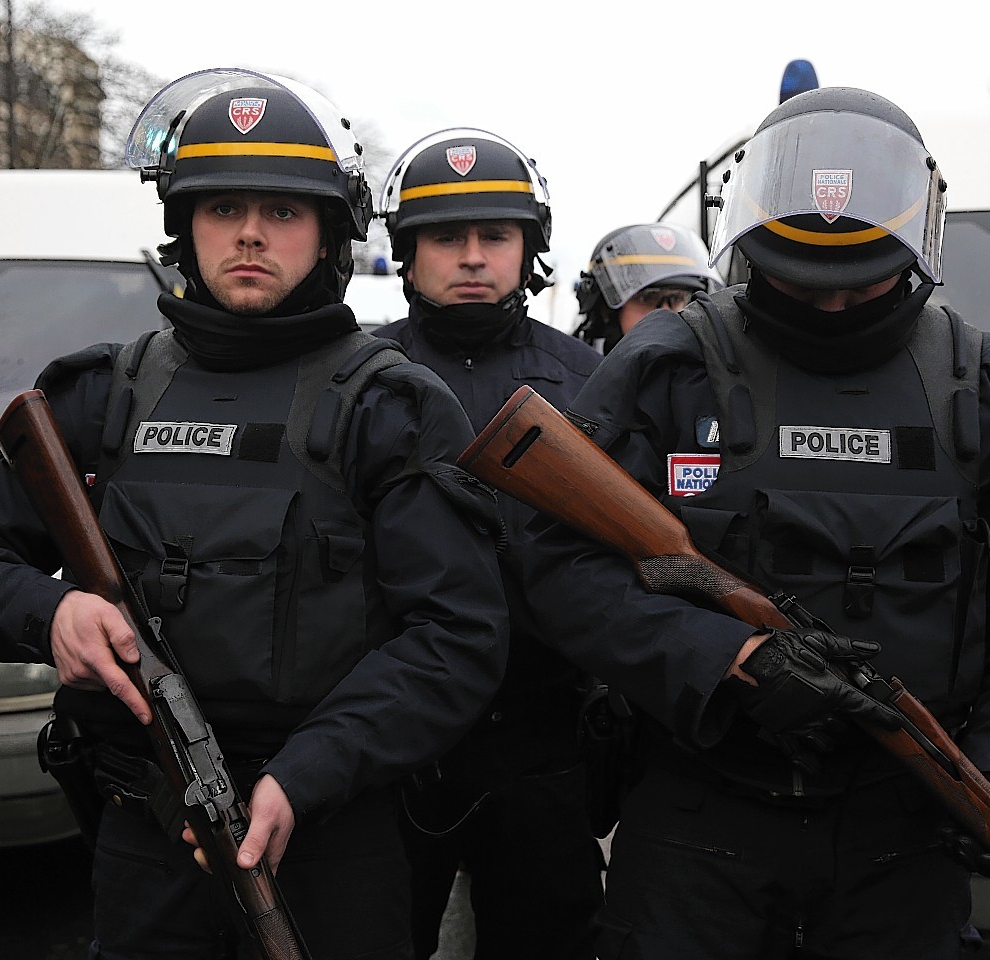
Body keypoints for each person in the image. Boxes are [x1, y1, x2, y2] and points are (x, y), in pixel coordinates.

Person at [0, 68, 508, 960]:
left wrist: (306, 777)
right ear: (185, 227)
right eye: (224, 207)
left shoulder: (391, 408)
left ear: (329, 232)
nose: (252, 234)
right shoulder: (100, 394)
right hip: (144, 838)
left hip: (328, 834)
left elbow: (457, 636)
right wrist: (53, 612)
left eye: (283, 212)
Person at [522, 86, 990, 959]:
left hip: (905, 838)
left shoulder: (984, 390)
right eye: (804, 283)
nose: (831, 308)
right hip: (697, 826)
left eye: (858, 285)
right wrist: (732, 662)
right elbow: (560, 568)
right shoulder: (667, 370)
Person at [374, 128, 605, 960]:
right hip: (388, 744)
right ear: (407, 251)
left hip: (541, 739)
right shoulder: (354, 377)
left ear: (528, 249)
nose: (472, 257)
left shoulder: (591, 382)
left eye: (494, 236)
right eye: (446, 236)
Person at [573, 222, 717, 354]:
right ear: (607, 311)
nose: (666, 313)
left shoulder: (712, 375)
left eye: (676, 298)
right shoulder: (578, 376)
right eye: (648, 297)